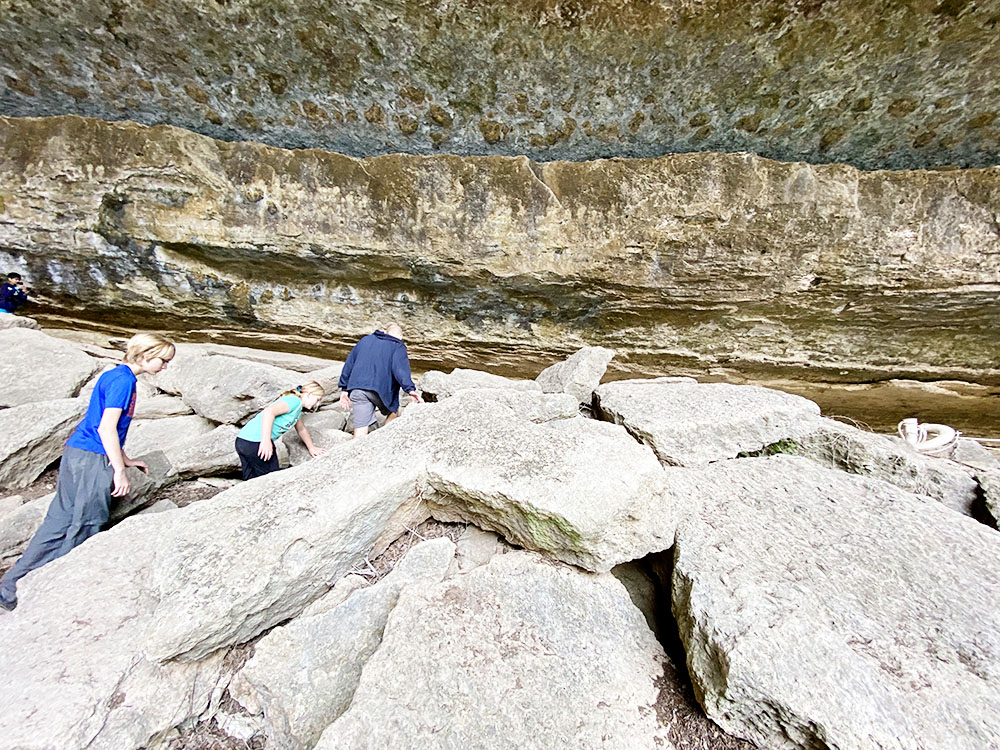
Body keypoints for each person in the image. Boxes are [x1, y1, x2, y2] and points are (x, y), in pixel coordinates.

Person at [0, 333, 175, 611]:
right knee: (88, 523)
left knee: (58, 522)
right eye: (163, 361)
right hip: (93, 459)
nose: (165, 367)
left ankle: (9, 589)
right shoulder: (123, 382)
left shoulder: (114, 374)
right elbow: (106, 428)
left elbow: (105, 425)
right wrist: (118, 470)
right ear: (144, 356)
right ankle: (57, 589)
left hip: (77, 453)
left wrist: (126, 459)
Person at [338, 324, 422, 438]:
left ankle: (355, 451)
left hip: (357, 388)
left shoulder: (365, 340)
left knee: (360, 428)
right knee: (393, 410)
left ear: (386, 332)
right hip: (380, 391)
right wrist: (410, 389)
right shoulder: (397, 345)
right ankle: (384, 441)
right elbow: (400, 370)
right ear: (401, 336)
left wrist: (344, 388)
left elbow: (349, 363)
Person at [235, 381, 325, 479]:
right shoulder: (294, 401)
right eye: (317, 400)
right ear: (309, 394)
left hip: (243, 440)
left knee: (251, 480)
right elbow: (268, 412)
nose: (317, 404)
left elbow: (301, 429)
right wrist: (266, 441)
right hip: (255, 442)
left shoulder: (297, 409)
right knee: (271, 479)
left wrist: (311, 448)